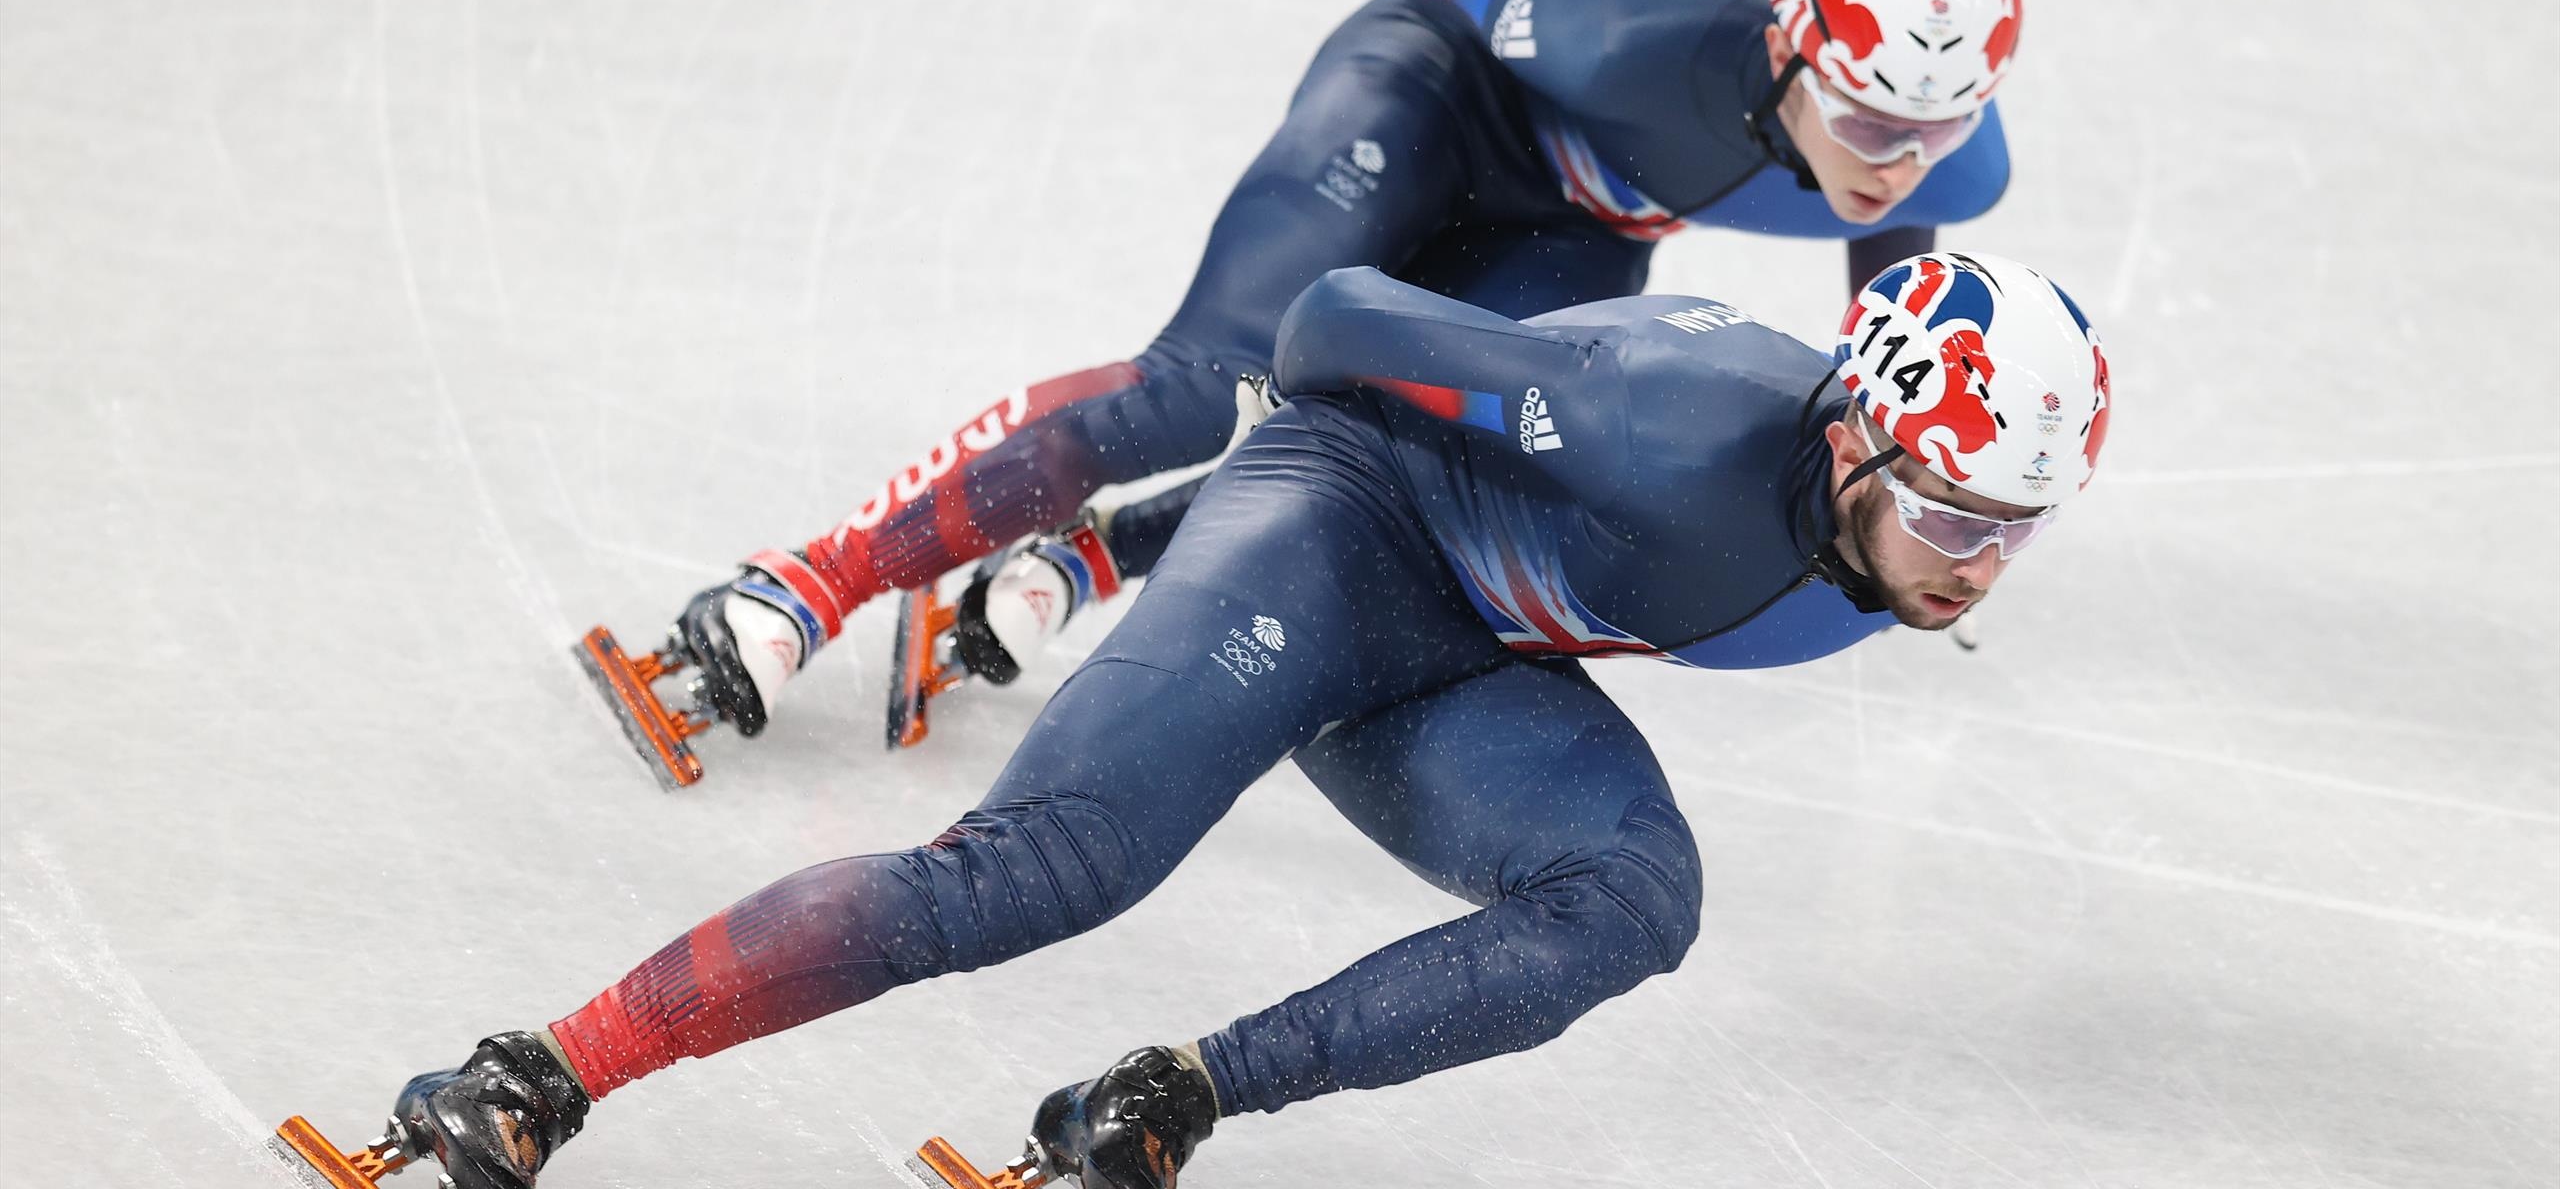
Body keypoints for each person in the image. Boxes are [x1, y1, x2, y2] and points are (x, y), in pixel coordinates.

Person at [293, 251, 2110, 1189]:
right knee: (1028, 881)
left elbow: (1590, 580)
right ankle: (534, 1076)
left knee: (1634, 898)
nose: (1975, 571)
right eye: (1956, 515)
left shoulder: (1871, 532)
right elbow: (1338, 323)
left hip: (1468, 646)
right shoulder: (1656, 412)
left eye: (2015, 533)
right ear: (1858, 433)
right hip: (1332, 542)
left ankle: (1163, 1101)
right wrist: (1160, 539)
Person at [576, 0, 2030, 781]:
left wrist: (1899, 465)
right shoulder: (1607, 11)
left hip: (1575, 221)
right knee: (1207, 385)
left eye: (1940, 124)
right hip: (1430, 98)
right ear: (1789, 40)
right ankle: (805, 581)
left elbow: (1895, 267)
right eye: (1861, 111)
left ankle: (1089, 561)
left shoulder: (1926, 134)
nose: (1898, 156)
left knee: (1424, 451)